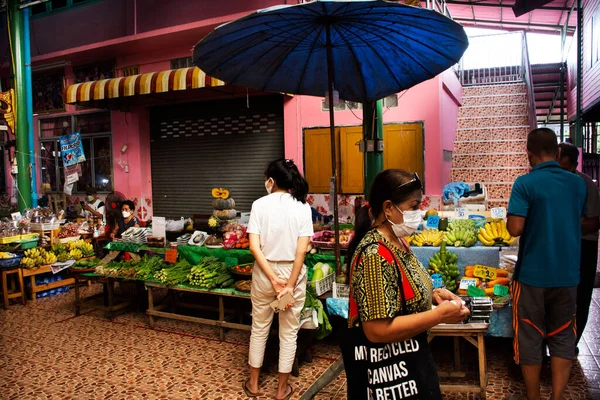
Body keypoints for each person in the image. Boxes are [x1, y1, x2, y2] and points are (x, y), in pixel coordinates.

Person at [341, 169, 469, 400]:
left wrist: (435, 294)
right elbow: (377, 330)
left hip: (411, 359)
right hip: (387, 375)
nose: (418, 214)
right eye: (413, 207)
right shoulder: (375, 254)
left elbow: (402, 285)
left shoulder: (398, 241)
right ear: (388, 207)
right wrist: (439, 315)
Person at [507, 128, 587, 400]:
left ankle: (533, 397)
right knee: (563, 336)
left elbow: (515, 228)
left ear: (528, 152)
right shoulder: (578, 184)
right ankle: (557, 397)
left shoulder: (525, 183)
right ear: (556, 152)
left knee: (530, 336)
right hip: (567, 274)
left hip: (532, 275)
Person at [245, 159, 312, 400]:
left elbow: (254, 247)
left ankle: (253, 384)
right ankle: (281, 389)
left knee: (259, 328)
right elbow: (301, 252)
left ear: (271, 181)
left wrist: (273, 279)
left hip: (264, 274)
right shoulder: (303, 207)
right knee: (289, 333)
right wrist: (289, 284)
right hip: (291, 273)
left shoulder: (259, 205)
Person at [557, 142, 600, 348]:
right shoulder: (552, 184)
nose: (561, 173)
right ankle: (556, 341)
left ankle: (571, 344)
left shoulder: (586, 185)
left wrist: (564, 224)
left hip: (584, 247)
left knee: (580, 297)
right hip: (560, 246)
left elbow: (593, 222)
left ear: (575, 164)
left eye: (565, 169)